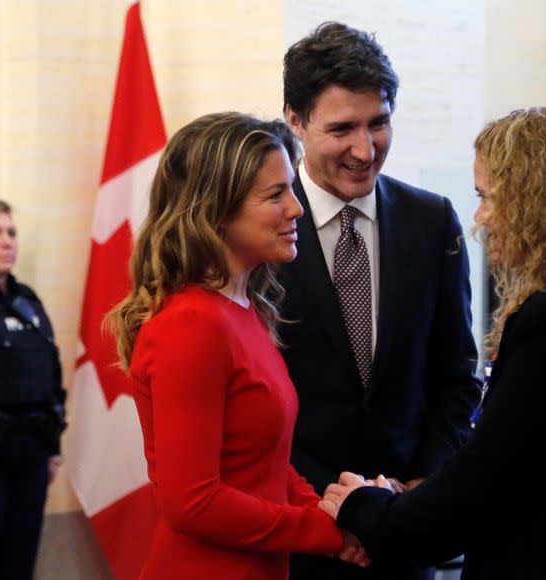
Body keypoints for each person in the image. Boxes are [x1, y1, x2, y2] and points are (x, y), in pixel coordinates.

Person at [321, 107, 546, 579]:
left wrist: (364, 509)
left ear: (534, 203)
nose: (480, 218)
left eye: (487, 198)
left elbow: (486, 479)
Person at [105, 112, 369, 579]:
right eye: (275, 195)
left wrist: (330, 513)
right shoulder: (191, 325)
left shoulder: (241, 309)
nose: (297, 208)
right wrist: (326, 532)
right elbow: (194, 502)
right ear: (215, 212)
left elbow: (266, 461)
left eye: (291, 188)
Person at [279, 21, 482, 580]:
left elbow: (457, 376)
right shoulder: (257, 228)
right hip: (295, 536)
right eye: (342, 128)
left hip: (402, 532)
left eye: (379, 123)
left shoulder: (431, 220)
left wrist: (418, 489)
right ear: (295, 122)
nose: (365, 150)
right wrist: (327, 509)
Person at [0, 199, 67, 580]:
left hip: (31, 451)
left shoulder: (26, 299)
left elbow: (50, 371)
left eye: (11, 233)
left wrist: (53, 449)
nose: (7, 242)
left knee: (20, 557)